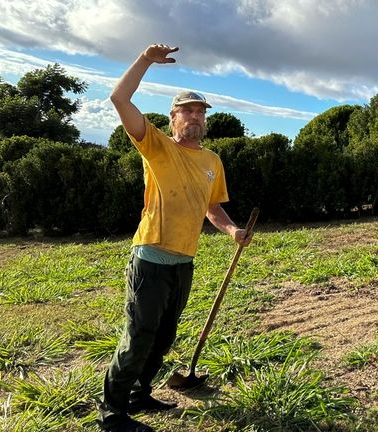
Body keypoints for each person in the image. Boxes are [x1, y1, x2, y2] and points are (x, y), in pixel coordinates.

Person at [97, 43, 253, 432]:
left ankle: (139, 393)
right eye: (188, 110)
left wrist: (232, 229)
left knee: (163, 336)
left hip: (184, 261)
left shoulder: (212, 161)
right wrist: (145, 60)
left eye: (201, 111)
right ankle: (112, 414)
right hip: (150, 256)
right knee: (138, 335)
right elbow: (119, 97)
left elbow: (211, 207)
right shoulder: (157, 146)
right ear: (173, 118)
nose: (196, 116)